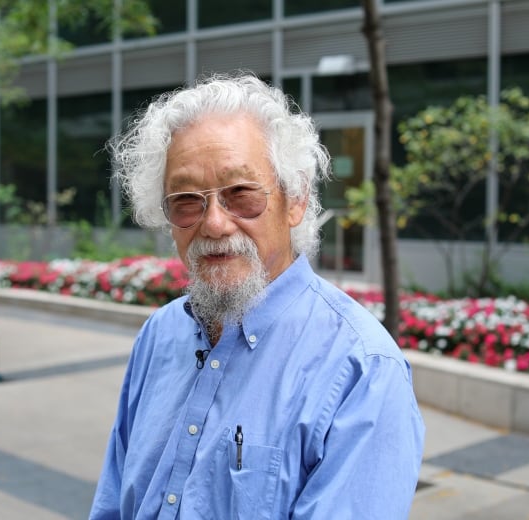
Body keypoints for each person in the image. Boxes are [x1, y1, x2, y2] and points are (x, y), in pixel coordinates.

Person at [90, 73, 424, 519]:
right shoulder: (160, 335)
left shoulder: (361, 370)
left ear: (296, 199)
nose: (214, 224)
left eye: (241, 194)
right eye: (186, 200)